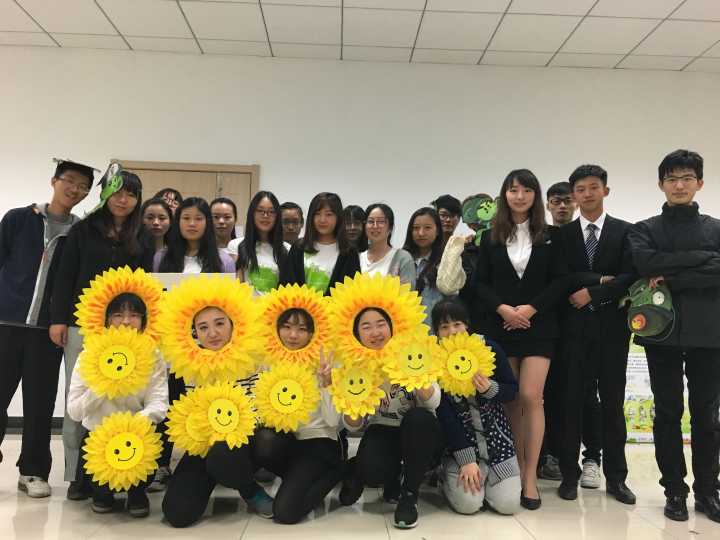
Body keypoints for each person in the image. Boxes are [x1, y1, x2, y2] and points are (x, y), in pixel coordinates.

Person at [462, 169, 567, 510]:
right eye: (513, 190)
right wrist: (504, 309)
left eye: (526, 190)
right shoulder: (491, 237)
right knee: (509, 400)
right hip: (501, 327)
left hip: (539, 326)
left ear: (536, 195)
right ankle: (515, 469)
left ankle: (531, 476)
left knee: (531, 396)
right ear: (504, 195)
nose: (519, 196)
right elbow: (479, 283)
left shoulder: (551, 235)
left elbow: (560, 281)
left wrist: (531, 309)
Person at [628, 149, 720, 523]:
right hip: (660, 331)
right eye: (671, 179)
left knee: (707, 414)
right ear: (661, 184)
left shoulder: (716, 229)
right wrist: (703, 260)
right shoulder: (644, 229)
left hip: (709, 332)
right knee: (667, 412)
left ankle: (708, 491)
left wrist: (672, 276)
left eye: (686, 178)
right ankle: (675, 491)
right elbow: (645, 263)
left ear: (700, 183)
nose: (679, 185)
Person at [49, 168, 145, 500]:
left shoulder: (141, 235)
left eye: (130, 194)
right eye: (116, 191)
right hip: (82, 326)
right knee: (78, 399)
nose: (123, 199)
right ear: (104, 194)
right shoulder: (83, 230)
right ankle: (77, 474)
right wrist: (58, 320)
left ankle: (117, 471)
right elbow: (65, 276)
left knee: (122, 399)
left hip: (126, 329)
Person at [0, 159, 93, 497]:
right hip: (6, 323)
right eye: (70, 181)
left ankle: (33, 471)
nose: (75, 189)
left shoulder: (81, 232)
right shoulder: (18, 219)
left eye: (83, 186)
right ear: (54, 181)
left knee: (40, 403)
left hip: (48, 330)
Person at [556, 165, 636, 506]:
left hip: (612, 332)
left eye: (593, 187)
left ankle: (616, 478)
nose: (587, 194)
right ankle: (568, 475)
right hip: (572, 331)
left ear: (605, 190)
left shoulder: (625, 231)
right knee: (571, 402)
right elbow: (561, 277)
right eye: (580, 189)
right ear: (573, 195)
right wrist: (601, 279)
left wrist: (593, 292)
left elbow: (630, 276)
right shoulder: (562, 236)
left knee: (612, 404)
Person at [162, 306, 283, 527]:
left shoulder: (252, 356)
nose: (213, 333)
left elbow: (261, 407)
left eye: (219, 323)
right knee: (177, 513)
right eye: (203, 327)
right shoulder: (188, 363)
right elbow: (187, 412)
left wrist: (232, 427)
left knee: (226, 453)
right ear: (195, 332)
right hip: (204, 445)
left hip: (244, 440)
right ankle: (222, 474)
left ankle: (249, 490)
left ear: (232, 324)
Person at [339, 307, 442, 529]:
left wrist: (413, 374)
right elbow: (352, 425)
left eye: (381, 324)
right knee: (372, 472)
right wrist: (353, 404)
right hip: (383, 429)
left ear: (392, 326)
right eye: (366, 326)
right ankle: (382, 475)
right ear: (357, 334)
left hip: (418, 431)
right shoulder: (357, 365)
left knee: (419, 418)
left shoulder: (413, 351)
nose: (375, 332)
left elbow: (434, 402)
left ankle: (410, 494)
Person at [67, 293, 168, 517]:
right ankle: (101, 492)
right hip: (98, 437)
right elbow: (74, 411)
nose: (126, 321)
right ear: (107, 320)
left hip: (138, 434)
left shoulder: (153, 355)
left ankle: (137, 492)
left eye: (134, 315)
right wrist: (103, 384)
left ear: (143, 322)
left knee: (145, 456)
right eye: (118, 315)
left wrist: (133, 427)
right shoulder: (89, 355)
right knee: (100, 493)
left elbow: (159, 403)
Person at [539, 181, 602, 485]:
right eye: (556, 201)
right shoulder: (541, 236)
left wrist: (595, 282)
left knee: (587, 394)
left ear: (575, 201)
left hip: (585, 325)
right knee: (550, 393)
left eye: (566, 200)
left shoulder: (584, 235)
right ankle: (553, 454)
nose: (562, 206)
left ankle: (592, 457)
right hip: (549, 326)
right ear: (548, 205)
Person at [432, 299, 521, 515]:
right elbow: (444, 415)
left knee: (508, 505)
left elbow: (512, 390)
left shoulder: (489, 348)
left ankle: (490, 484)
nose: (452, 332)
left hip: (498, 446)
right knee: (468, 505)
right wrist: (466, 460)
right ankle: (444, 475)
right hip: (459, 448)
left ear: (467, 324)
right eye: (444, 327)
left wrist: (491, 388)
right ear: (436, 332)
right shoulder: (434, 361)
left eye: (457, 324)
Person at [269, 309, 344, 524]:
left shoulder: (326, 360)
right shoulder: (270, 360)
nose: (293, 335)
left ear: (312, 332)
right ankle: (297, 479)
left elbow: (333, 423)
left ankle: (341, 470)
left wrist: (326, 383)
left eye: (302, 329)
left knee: (285, 513)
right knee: (264, 442)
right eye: (286, 327)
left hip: (318, 441)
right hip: (288, 442)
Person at [281, 192, 360, 295]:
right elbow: (286, 286)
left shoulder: (349, 252)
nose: (322, 220)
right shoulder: (299, 248)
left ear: (338, 217)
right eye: (317, 214)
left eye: (329, 214)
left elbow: (352, 291)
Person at [437, 193, 495, 333]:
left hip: (509, 320)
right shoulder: (463, 249)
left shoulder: (512, 244)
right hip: (474, 321)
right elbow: (448, 286)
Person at [154, 197, 235, 274]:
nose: (192, 224)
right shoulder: (161, 257)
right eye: (186, 218)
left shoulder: (224, 261)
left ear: (207, 223)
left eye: (198, 218)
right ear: (178, 222)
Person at [236, 192, 288, 295]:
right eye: (260, 210)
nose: (265, 215)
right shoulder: (237, 245)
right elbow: (236, 286)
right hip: (246, 304)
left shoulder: (286, 249)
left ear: (277, 216)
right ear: (252, 213)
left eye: (271, 212)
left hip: (274, 304)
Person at [403, 207, 446, 329]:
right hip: (405, 327)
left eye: (427, 228)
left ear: (437, 231)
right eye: (416, 228)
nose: (421, 233)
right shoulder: (402, 259)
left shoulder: (445, 260)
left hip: (435, 329)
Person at [360, 203, 415, 287]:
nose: (375, 226)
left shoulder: (403, 258)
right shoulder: (358, 258)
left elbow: (408, 291)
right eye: (370, 221)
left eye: (381, 221)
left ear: (390, 228)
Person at [139, 198, 172, 270]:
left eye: (162, 218)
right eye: (150, 218)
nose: (156, 222)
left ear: (170, 222)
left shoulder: (176, 252)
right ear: (141, 220)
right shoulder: (133, 250)